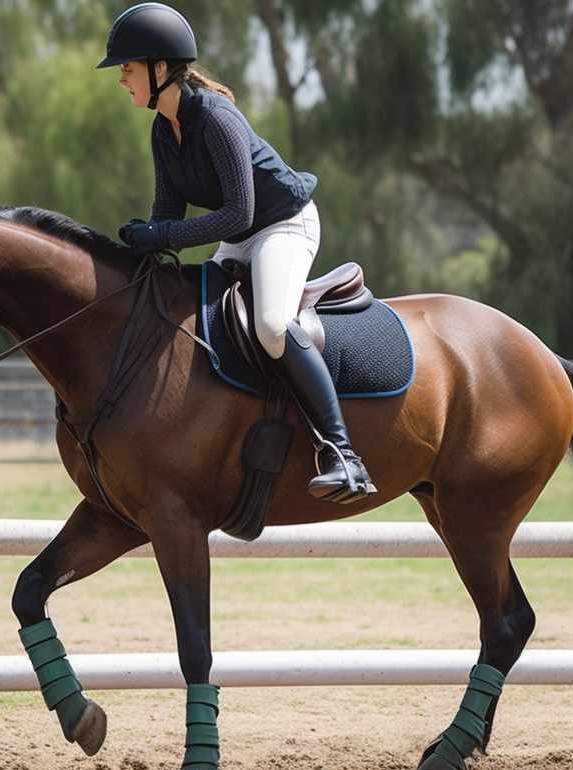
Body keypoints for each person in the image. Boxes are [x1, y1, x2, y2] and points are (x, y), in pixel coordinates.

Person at [99, 2, 375, 504]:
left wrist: (162, 236)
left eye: (128, 68)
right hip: (244, 232)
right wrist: (142, 241)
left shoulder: (217, 119)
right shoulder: (163, 128)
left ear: (160, 69)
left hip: (283, 226)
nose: (122, 79)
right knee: (193, 314)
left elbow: (239, 216)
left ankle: (343, 454)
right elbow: (169, 211)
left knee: (271, 325)